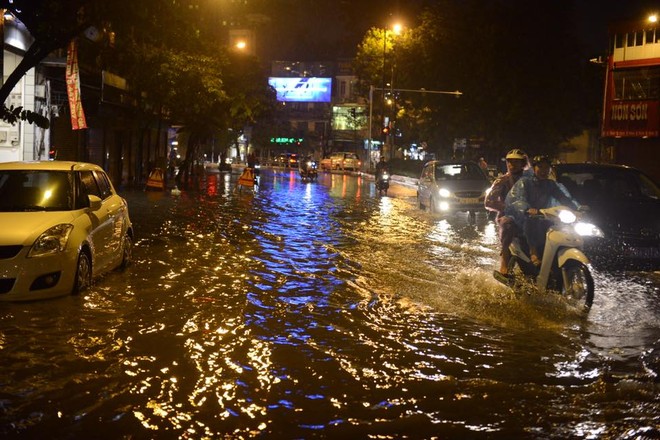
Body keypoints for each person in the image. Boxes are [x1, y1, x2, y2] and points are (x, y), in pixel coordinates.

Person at [505, 155, 580, 266]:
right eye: (540, 167)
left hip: (545, 215)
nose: (544, 171)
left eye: (546, 168)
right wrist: (527, 209)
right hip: (525, 217)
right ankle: (533, 251)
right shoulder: (524, 182)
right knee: (530, 221)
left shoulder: (551, 184)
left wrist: (577, 208)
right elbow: (518, 198)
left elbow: (564, 197)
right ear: (534, 168)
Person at [484, 149, 529, 277]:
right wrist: (509, 207)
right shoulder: (502, 181)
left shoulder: (531, 180)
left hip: (530, 215)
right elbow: (489, 202)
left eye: (516, 162)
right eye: (510, 161)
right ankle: (505, 259)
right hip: (509, 216)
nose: (512, 165)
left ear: (523, 164)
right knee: (508, 225)